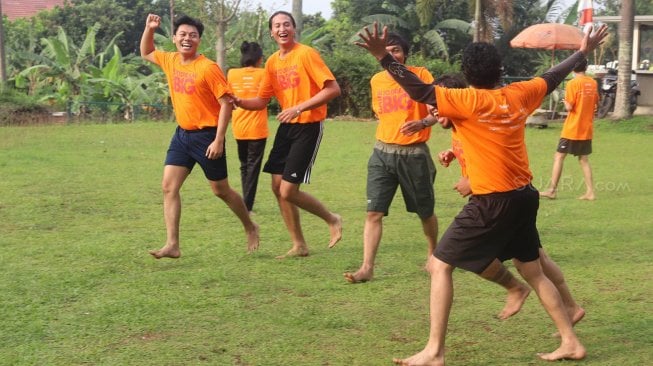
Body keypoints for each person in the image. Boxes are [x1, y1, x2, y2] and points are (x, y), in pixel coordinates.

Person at [356, 22, 607, 364]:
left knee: (439, 265)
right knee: (532, 270)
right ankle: (570, 341)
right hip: (524, 196)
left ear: (467, 74)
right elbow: (554, 75)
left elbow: (418, 90)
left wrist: (383, 57)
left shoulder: (465, 100)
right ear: (499, 70)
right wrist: (581, 53)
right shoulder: (520, 93)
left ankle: (434, 351)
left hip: (493, 201)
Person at [434, 74, 585, 323]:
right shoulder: (459, 125)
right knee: (536, 261)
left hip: (498, 198)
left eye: (439, 105)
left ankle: (537, 297)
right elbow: (478, 155)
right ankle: (570, 307)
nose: (436, 112)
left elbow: (498, 160)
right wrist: (453, 153)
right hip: (512, 197)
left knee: (518, 263)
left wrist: (471, 182)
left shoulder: (473, 118)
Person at [140, 14, 260, 258]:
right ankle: (172, 244)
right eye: (182, 34)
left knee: (221, 190)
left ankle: (250, 226)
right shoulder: (171, 60)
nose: (187, 38)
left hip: (207, 136)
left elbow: (226, 103)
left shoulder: (208, 68)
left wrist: (218, 139)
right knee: (168, 187)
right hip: (182, 135)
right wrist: (149, 29)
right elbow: (146, 52)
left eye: (192, 35)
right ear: (174, 38)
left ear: (199, 40)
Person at [233, 11, 342, 259]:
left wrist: (299, 107)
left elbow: (333, 89)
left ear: (294, 29)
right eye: (276, 26)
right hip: (287, 126)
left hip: (308, 124)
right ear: (271, 32)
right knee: (276, 186)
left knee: (288, 190)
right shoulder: (271, 62)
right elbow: (261, 101)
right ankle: (299, 244)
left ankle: (332, 218)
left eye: (286, 24)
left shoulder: (306, 54)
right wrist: (239, 101)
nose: (282, 29)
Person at [343, 33, 439, 284]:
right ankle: (367, 267)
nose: (391, 55)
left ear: (404, 53)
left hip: (414, 155)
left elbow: (437, 110)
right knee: (373, 213)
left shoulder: (421, 74)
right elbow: (381, 113)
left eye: (396, 50)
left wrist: (422, 122)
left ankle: (433, 255)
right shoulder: (377, 80)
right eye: (387, 51)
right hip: (382, 153)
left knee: (424, 211)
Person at [540, 59, 599, 201]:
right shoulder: (593, 83)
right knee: (583, 159)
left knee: (559, 157)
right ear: (585, 68)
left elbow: (569, 107)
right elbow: (596, 103)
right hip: (586, 128)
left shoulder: (573, 83)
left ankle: (552, 191)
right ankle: (590, 192)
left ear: (573, 69)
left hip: (573, 128)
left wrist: (564, 100)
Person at [227, 41, 268, 213]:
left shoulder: (231, 74)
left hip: (239, 128)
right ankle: (247, 206)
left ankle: (245, 203)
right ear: (259, 59)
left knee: (244, 166)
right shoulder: (264, 73)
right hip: (257, 129)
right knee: (253, 167)